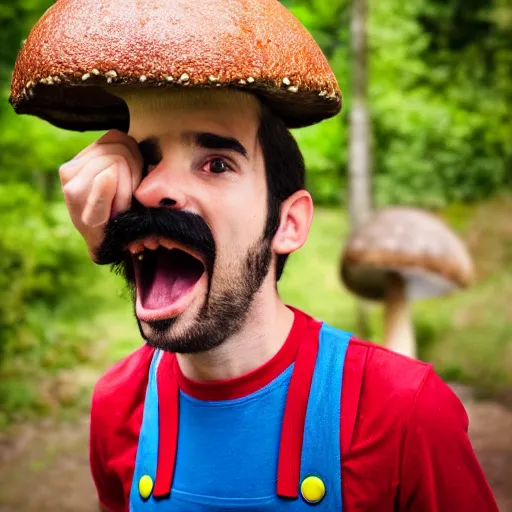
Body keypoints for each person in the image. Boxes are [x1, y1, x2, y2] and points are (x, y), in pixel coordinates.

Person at [11, 1, 498, 510]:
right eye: (144, 159)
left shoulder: (407, 411)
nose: (153, 189)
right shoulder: (117, 406)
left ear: (289, 223)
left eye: (216, 163)